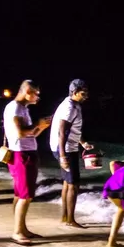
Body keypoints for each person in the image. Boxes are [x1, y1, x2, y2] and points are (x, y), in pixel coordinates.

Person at [3, 80, 51, 245]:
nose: (38, 97)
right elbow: (21, 133)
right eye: (36, 94)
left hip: (23, 152)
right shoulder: (16, 107)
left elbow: (31, 134)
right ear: (27, 92)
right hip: (21, 154)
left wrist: (42, 127)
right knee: (26, 195)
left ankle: (22, 228)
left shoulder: (22, 108)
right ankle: (17, 232)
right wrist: (37, 124)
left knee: (20, 193)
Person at [50, 79, 93, 227]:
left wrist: (82, 142)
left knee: (67, 184)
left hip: (68, 147)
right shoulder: (70, 107)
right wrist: (62, 156)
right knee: (74, 185)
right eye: (83, 93)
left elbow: (72, 129)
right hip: (66, 149)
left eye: (87, 93)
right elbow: (62, 132)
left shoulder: (72, 104)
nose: (86, 96)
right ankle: (70, 220)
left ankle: (65, 217)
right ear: (74, 93)